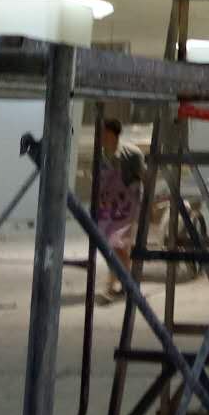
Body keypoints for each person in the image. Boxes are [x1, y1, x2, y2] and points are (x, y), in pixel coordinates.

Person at [96, 118, 146, 303]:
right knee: (109, 246)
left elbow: (143, 178)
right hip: (106, 208)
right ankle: (125, 283)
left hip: (126, 207)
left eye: (103, 132)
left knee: (118, 244)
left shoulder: (132, 154)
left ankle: (120, 285)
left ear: (112, 133)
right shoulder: (99, 154)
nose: (100, 136)